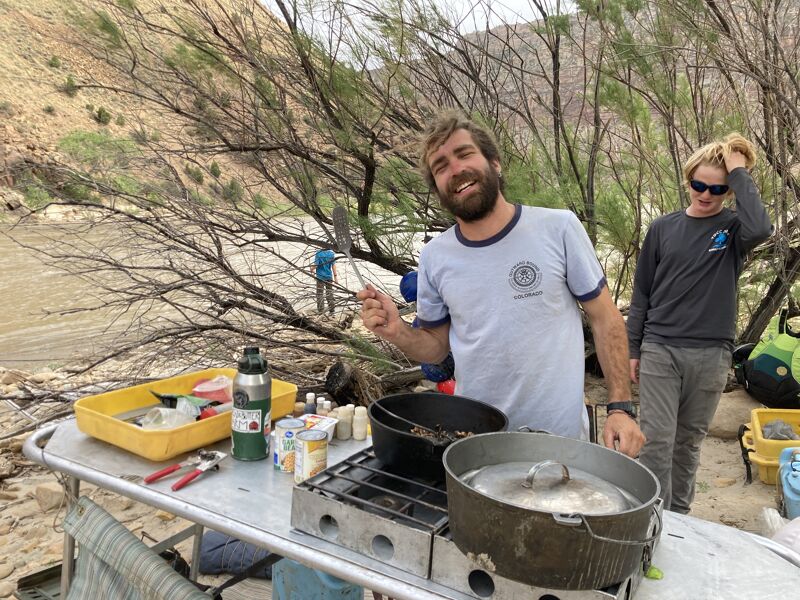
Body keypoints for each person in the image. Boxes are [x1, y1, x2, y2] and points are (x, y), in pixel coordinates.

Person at [358, 111, 645, 457]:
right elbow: (435, 347)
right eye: (441, 166)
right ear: (437, 189)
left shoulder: (558, 228)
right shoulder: (436, 256)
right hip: (477, 443)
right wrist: (397, 331)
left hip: (561, 441)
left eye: (464, 154)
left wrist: (620, 408)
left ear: (494, 163)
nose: (456, 169)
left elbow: (605, 318)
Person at [627, 134, 772, 513]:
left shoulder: (734, 230)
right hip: (660, 347)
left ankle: (680, 520)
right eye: (698, 185)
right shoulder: (662, 228)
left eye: (718, 188)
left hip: (711, 353)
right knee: (657, 439)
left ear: (728, 190)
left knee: (688, 442)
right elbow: (641, 292)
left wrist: (739, 170)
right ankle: (651, 515)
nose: (706, 195)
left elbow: (762, 228)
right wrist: (631, 349)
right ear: (688, 180)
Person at [312, 248, 338, 315]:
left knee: (319, 294)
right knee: (329, 293)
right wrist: (335, 277)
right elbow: (333, 266)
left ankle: (321, 311)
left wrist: (311, 268)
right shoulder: (331, 253)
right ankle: (332, 311)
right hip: (329, 277)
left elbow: (316, 265)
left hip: (320, 277)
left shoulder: (318, 253)